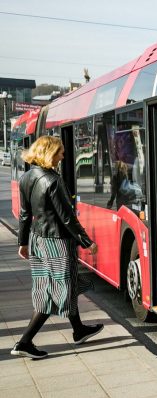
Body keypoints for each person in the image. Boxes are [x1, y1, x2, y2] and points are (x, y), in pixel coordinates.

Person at [11, 136, 103, 359]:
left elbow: (25, 215)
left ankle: (78, 329)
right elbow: (67, 218)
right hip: (57, 243)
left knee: (60, 283)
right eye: (60, 152)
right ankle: (25, 341)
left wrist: (23, 242)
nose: (63, 156)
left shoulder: (26, 177)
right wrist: (86, 241)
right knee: (56, 290)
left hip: (38, 240)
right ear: (49, 153)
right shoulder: (52, 180)